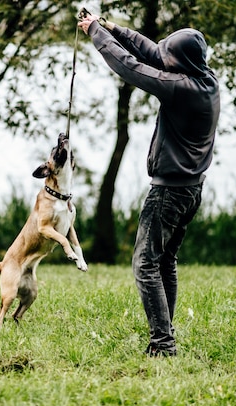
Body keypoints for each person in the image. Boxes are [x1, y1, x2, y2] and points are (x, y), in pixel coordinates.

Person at [78, 12, 220, 357]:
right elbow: (153, 54)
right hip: (191, 188)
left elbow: (131, 67)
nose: (163, 59)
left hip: (169, 192)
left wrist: (96, 34)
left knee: (144, 264)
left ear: (181, 62)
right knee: (165, 260)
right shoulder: (205, 78)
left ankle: (163, 344)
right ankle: (165, 334)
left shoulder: (180, 89)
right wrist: (112, 27)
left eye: (170, 55)